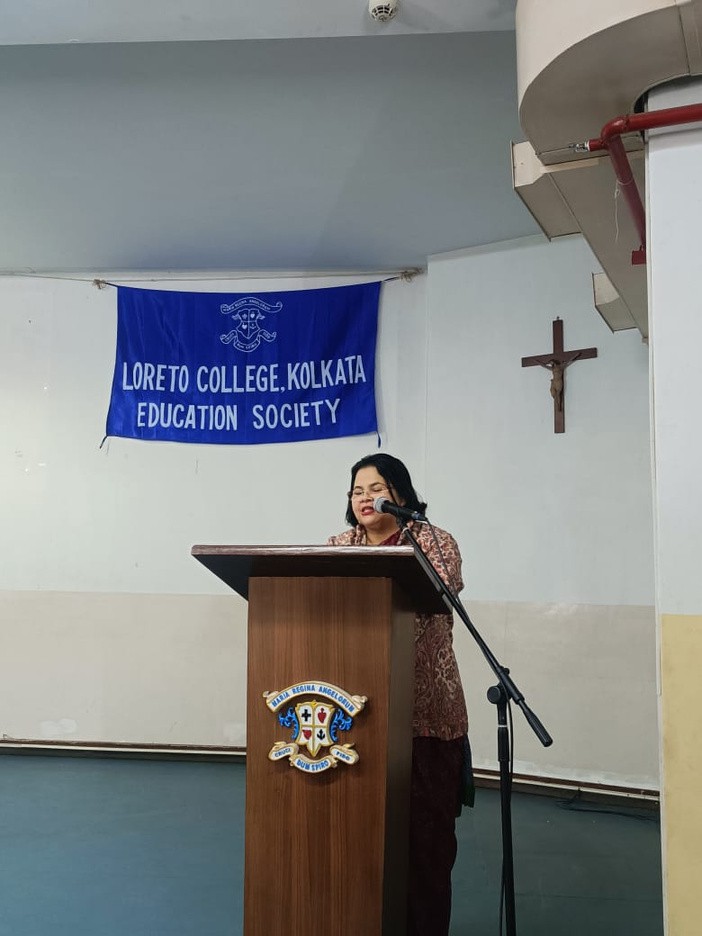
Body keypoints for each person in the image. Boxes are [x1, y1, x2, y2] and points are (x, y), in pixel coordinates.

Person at [327, 453, 471, 936]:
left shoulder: (432, 542)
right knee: (360, 839)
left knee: (426, 845)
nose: (365, 498)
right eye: (357, 491)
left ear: (401, 495)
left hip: (425, 718)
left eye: (376, 489)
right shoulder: (337, 547)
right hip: (357, 717)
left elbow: (441, 587)